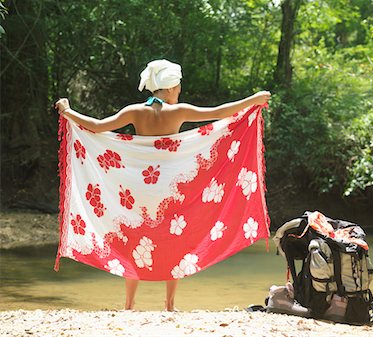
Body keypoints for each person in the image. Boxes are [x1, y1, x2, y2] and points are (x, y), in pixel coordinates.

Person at [55, 59, 271, 311]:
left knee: (134, 240)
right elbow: (220, 112)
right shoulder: (178, 111)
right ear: (169, 89)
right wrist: (253, 100)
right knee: (174, 241)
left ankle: (129, 305)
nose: (179, 92)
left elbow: (95, 127)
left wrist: (67, 111)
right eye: (178, 87)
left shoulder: (134, 111)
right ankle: (169, 305)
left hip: (137, 189)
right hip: (172, 189)